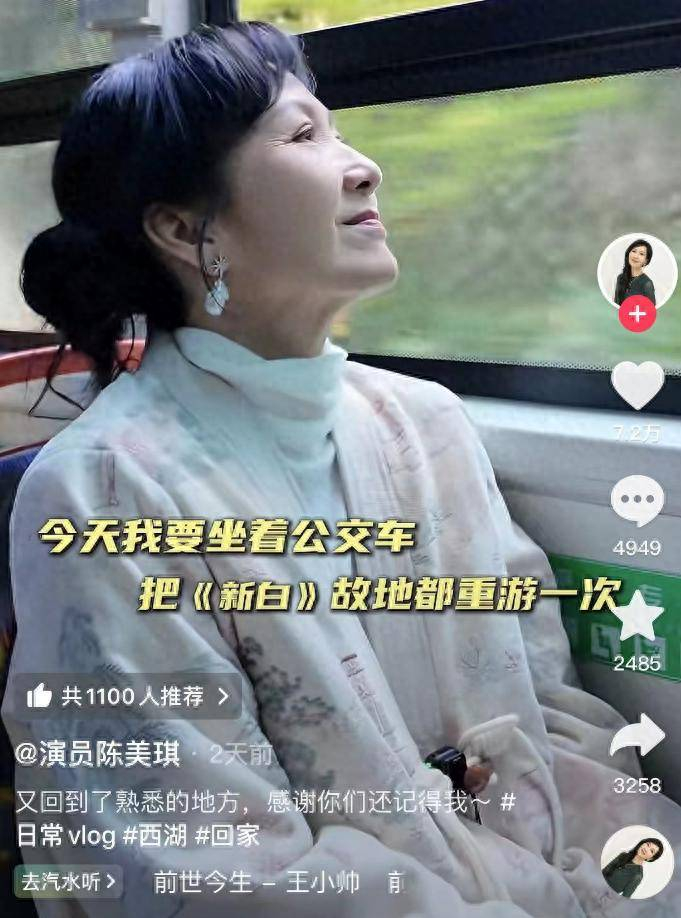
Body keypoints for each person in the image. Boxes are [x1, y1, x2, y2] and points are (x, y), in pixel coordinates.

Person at [3, 21, 681, 918]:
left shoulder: (423, 424)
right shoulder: (105, 493)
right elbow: (209, 871)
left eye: (339, 130)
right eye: (302, 135)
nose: (364, 168)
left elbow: (551, 714)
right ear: (181, 227)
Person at [614, 239, 656, 305]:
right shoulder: (620, 278)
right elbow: (616, 304)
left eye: (641, 254)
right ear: (628, 253)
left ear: (646, 261)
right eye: (634, 251)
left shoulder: (647, 284)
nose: (636, 256)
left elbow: (651, 309)